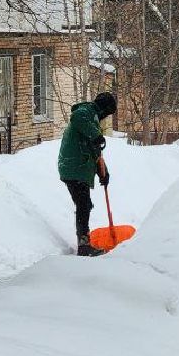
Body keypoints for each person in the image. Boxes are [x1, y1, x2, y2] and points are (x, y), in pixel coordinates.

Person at [58, 91, 117, 256]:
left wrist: (103, 173)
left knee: (84, 204)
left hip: (78, 167)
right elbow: (76, 118)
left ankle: (84, 242)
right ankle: (84, 246)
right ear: (104, 108)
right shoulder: (87, 112)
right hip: (73, 166)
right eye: (108, 112)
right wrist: (96, 135)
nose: (107, 116)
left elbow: (95, 152)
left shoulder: (93, 120)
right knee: (84, 204)